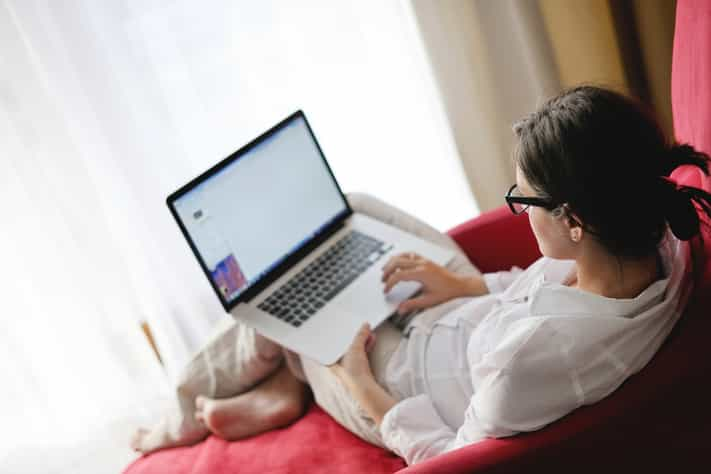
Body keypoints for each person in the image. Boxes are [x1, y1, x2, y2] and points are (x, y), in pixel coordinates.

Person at [132, 86, 711, 466]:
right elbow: (547, 291)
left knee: (278, 292)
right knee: (350, 209)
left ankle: (198, 411)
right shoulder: (655, 236)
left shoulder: (527, 365)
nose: (519, 209)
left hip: (401, 384)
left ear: (576, 220)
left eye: (523, 198)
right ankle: (286, 380)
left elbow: (451, 457)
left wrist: (360, 382)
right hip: (467, 312)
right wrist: (464, 285)